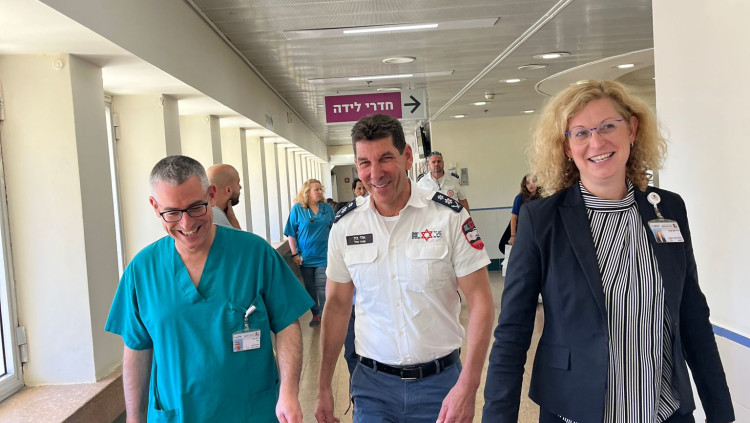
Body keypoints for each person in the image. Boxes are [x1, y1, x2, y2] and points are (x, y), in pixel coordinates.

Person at [483, 81, 734, 423]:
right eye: (581, 133)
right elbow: (512, 334)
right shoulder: (542, 221)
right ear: (566, 147)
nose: (597, 142)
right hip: (575, 411)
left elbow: (692, 316)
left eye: (607, 126)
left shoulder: (668, 209)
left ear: (632, 129)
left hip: (664, 411)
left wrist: (721, 414)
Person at [105, 155, 313, 423]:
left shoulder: (254, 254)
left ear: (212, 195)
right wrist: (134, 418)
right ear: (155, 207)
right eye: (172, 213)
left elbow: (286, 323)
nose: (187, 224)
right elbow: (136, 349)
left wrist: (289, 391)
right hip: (176, 414)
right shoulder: (142, 271)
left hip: (250, 413)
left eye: (196, 208)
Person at [315, 114, 494, 423]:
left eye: (385, 158)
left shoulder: (449, 216)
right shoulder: (345, 226)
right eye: (365, 163)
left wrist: (469, 384)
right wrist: (323, 386)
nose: (375, 173)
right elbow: (338, 306)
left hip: (441, 386)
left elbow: (481, 301)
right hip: (372, 388)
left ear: (407, 156)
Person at [284, 179, 335, 327]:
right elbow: (291, 234)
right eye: (316, 189)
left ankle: (325, 314)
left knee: (322, 286)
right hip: (305, 257)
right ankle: (315, 314)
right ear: (307, 192)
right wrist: (294, 254)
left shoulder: (327, 208)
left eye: (320, 189)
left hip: (324, 255)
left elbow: (335, 229)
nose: (320, 192)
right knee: (310, 288)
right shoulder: (298, 209)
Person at [207, 163, 242, 229]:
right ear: (228, 190)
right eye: (238, 183)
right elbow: (240, 237)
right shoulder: (218, 219)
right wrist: (236, 226)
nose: (240, 187)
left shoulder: (209, 212)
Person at [509, 174, 541, 245]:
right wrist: (513, 236)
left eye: (533, 181)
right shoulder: (520, 198)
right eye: (527, 183)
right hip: (524, 231)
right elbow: (514, 217)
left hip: (539, 231)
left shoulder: (542, 197)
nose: (530, 185)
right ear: (525, 185)